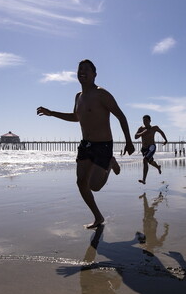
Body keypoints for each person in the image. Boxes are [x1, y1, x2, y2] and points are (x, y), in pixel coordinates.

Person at [37, 59, 135, 228]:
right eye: (79, 69)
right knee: (81, 183)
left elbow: (121, 115)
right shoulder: (78, 97)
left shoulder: (101, 94)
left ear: (94, 74)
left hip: (103, 145)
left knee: (94, 186)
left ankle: (110, 163)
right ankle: (98, 217)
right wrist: (51, 113)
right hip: (86, 144)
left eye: (86, 69)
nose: (82, 72)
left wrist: (128, 141)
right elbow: (76, 117)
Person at [135, 115, 168, 184]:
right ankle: (158, 167)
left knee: (145, 160)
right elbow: (135, 136)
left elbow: (161, 132)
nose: (145, 122)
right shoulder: (141, 128)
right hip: (144, 149)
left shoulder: (154, 128)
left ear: (150, 121)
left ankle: (144, 179)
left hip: (152, 147)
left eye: (146, 121)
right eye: (144, 121)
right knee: (150, 162)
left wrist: (165, 140)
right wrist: (142, 133)